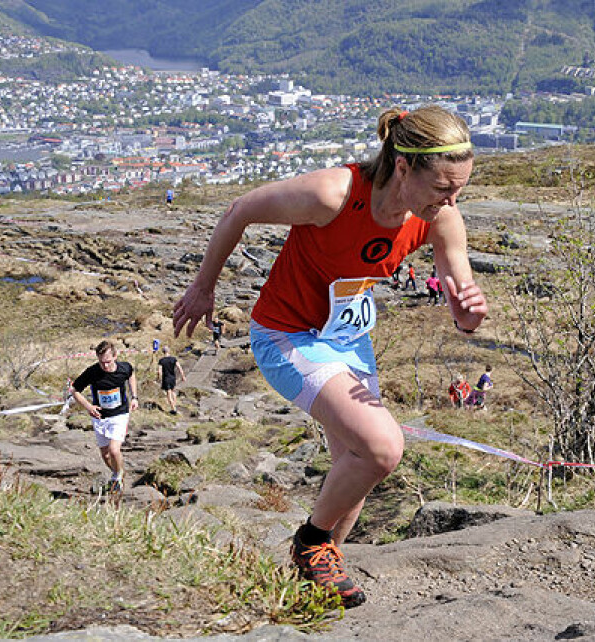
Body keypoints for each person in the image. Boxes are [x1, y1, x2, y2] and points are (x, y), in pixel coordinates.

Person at [172, 105, 487, 608]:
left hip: (347, 341)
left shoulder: (439, 219)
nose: (451, 201)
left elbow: (461, 299)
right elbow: (239, 209)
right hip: (286, 334)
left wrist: (469, 313)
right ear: (403, 168)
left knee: (354, 471)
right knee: (382, 448)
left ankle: (314, 587)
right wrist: (203, 288)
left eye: (459, 190)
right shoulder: (333, 194)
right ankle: (310, 543)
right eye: (443, 188)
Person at [70, 341, 138, 494]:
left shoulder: (124, 368)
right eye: (102, 362)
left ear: (115, 356)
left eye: (108, 362)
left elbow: (131, 375)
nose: (105, 366)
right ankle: (117, 472)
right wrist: (88, 406)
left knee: (114, 450)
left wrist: (134, 397)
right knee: (105, 454)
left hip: (120, 414)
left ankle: (118, 478)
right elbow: (74, 390)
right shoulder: (92, 372)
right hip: (100, 417)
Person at [157, 345, 186, 415]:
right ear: (169, 351)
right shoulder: (173, 359)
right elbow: (179, 368)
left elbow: (159, 371)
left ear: (163, 352)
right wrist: (183, 376)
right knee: (173, 391)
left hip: (166, 378)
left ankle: (173, 409)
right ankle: (174, 406)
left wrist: (159, 378)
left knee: (169, 394)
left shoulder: (161, 361)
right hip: (173, 377)